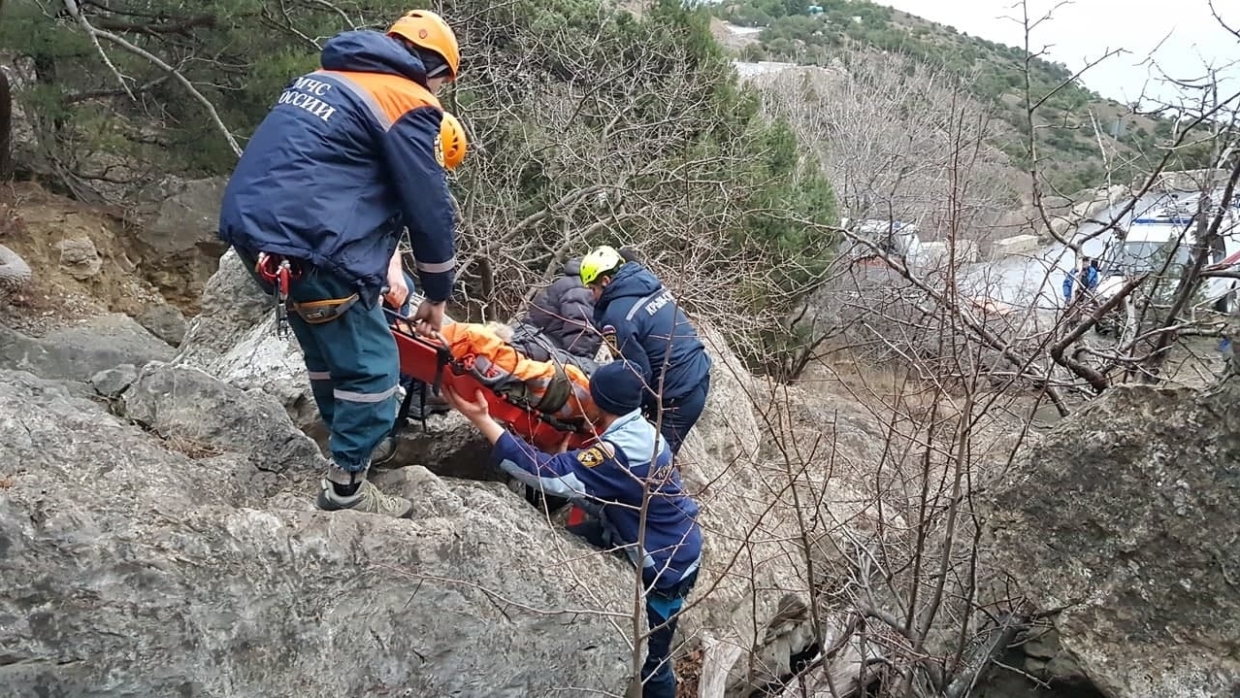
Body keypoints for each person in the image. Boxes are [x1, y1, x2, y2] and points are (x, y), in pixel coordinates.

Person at [217, 10, 462, 518]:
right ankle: (347, 485)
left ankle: (347, 446)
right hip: (312, 243)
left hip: (254, 233)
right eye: (443, 83)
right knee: (374, 370)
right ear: (435, 70)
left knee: (329, 350)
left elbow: (336, 178)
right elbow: (428, 206)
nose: (439, 92)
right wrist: (437, 293)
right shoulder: (409, 100)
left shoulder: (323, 78)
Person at [443, 360, 702, 698]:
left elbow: (551, 476)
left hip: (666, 564)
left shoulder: (616, 450)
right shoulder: (641, 431)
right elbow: (614, 488)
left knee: (653, 657)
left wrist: (482, 420)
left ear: (602, 403)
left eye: (589, 394)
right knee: (569, 544)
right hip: (664, 536)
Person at [579, 245, 712, 456]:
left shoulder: (617, 317)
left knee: (651, 461)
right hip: (696, 376)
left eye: (592, 288)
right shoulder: (649, 285)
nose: (592, 296)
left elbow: (636, 374)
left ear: (605, 281)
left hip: (677, 395)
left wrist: (619, 414)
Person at [527, 258, 602, 361]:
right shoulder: (582, 288)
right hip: (544, 350)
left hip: (539, 344)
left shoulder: (574, 283)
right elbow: (578, 330)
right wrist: (583, 365)